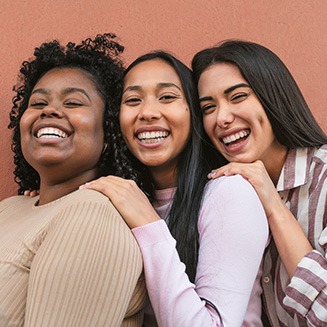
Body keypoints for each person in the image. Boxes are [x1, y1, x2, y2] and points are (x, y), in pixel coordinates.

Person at [81, 51, 269, 326]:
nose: (147, 113)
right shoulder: (119, 198)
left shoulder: (229, 194)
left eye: (167, 97)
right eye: (133, 100)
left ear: (192, 112)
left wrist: (149, 225)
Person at [0, 34, 146, 326]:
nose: (49, 110)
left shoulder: (92, 215)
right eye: (38, 101)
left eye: (73, 102)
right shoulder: (10, 208)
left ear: (108, 132)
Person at [191, 39, 327, 326]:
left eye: (237, 97)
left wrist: (275, 207)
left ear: (273, 95)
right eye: (208, 107)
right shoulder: (223, 192)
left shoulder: (323, 178)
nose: (222, 118)